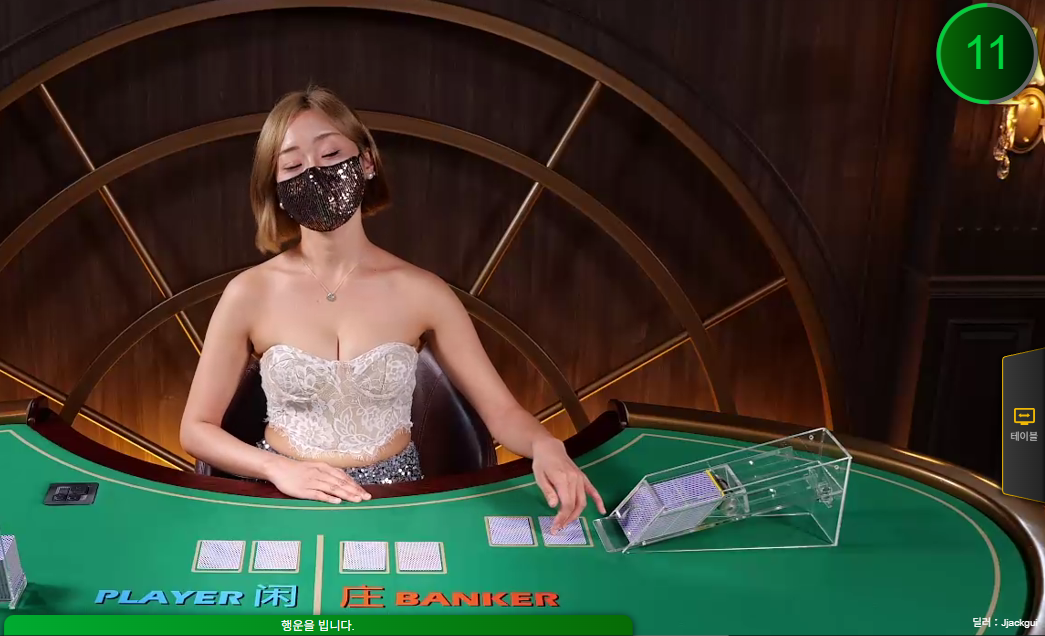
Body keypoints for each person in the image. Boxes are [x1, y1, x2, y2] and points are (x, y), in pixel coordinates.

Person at [180, 85, 604, 532]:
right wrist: (277, 469)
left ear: (366, 162)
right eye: (292, 165)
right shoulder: (248, 292)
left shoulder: (424, 292)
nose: (314, 172)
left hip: (396, 501)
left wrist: (546, 445)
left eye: (330, 154)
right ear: (278, 189)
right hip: (282, 498)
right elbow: (196, 428)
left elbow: (502, 413)